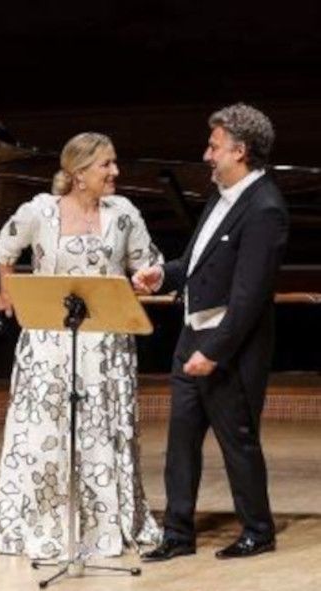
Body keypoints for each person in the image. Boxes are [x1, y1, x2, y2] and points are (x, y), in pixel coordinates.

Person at [0, 132, 163, 560]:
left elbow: (150, 262)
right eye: (106, 164)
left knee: (104, 434)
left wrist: (148, 277)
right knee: (47, 435)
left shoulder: (123, 213)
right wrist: (8, 292)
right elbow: (3, 250)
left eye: (114, 163)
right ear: (78, 173)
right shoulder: (40, 211)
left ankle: (104, 526)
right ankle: (47, 525)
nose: (115, 172)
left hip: (106, 351)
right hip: (50, 347)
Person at [134, 103, 288, 561]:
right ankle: (177, 534)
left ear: (240, 151)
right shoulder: (221, 199)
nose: (206, 155)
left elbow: (249, 296)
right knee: (181, 440)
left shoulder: (265, 207)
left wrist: (216, 351)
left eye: (214, 146)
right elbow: (196, 265)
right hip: (192, 338)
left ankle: (258, 531)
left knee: (237, 439)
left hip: (229, 347)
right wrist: (162, 275)